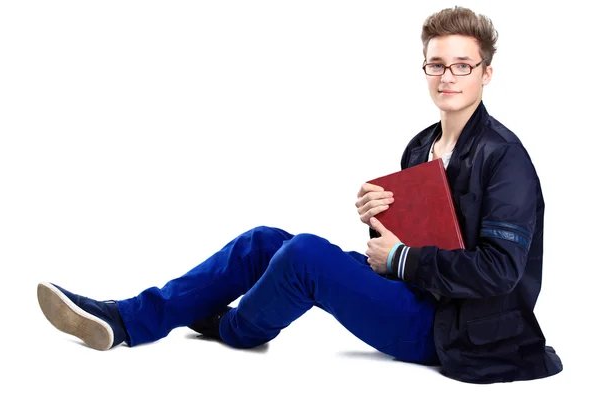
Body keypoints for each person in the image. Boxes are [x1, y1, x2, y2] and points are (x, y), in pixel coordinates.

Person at [36, 6, 562, 384]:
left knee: (305, 254)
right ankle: (126, 317)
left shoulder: (506, 157)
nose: (448, 76)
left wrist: (399, 258)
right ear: (424, 68)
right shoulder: (421, 145)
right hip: (417, 295)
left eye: (462, 65)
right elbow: (420, 241)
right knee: (266, 242)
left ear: (486, 73)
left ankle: (236, 328)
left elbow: (500, 272)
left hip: (454, 329)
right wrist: (377, 222)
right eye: (436, 64)